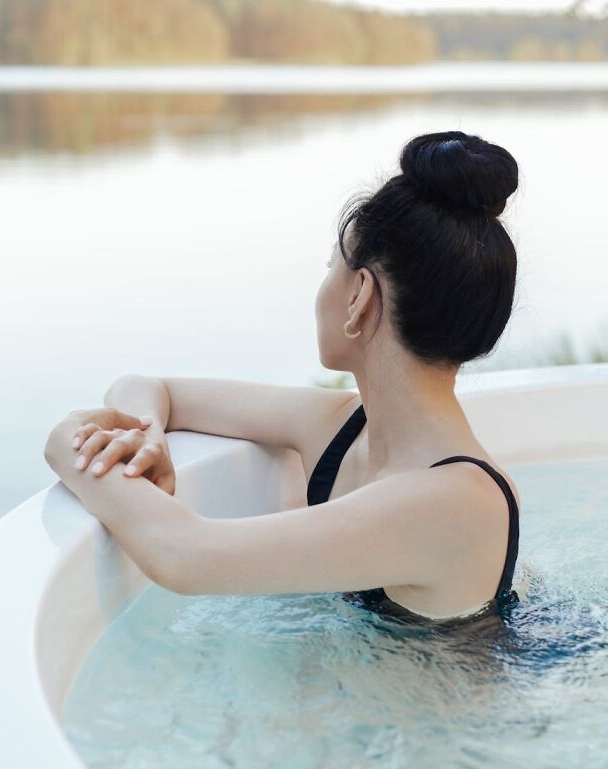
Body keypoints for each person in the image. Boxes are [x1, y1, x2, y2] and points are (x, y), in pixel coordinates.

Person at [44, 130, 521, 626]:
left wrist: (67, 442)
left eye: (329, 268)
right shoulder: (343, 428)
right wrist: (146, 435)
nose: (320, 291)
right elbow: (152, 387)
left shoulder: (455, 501)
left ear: (360, 295)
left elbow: (185, 557)